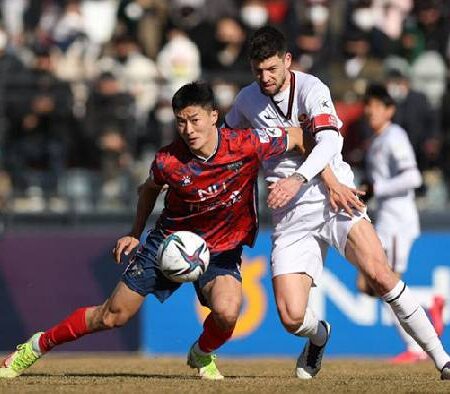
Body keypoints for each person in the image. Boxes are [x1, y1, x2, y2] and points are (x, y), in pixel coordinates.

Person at [0, 81, 324, 381]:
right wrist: (135, 232)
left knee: (228, 312)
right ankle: (36, 346)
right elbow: (148, 190)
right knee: (112, 316)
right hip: (166, 243)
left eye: (195, 120)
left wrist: (325, 179)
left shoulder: (247, 144)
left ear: (214, 116)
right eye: (181, 121)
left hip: (221, 250)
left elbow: (297, 136)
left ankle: (201, 354)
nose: (188, 129)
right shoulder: (168, 160)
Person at [224, 26, 450, 380]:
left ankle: (442, 359)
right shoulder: (245, 101)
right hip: (289, 212)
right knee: (290, 316)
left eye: (271, 69)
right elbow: (228, 144)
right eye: (258, 71)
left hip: (336, 197)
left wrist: (300, 178)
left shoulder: (313, 88)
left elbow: (329, 142)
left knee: (380, 275)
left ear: (287, 61)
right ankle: (319, 336)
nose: (265, 78)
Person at [358, 84, 445, 363]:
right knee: (371, 283)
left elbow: (413, 178)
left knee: (386, 283)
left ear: (389, 110)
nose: (370, 111)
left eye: (376, 106)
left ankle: (415, 347)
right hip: (385, 220)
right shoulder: (377, 140)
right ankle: (431, 307)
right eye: (367, 105)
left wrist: (376, 188)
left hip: (397, 222)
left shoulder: (395, 136)